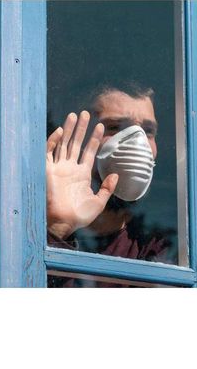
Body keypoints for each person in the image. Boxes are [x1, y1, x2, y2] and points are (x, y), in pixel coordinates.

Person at [46, 84, 170, 287]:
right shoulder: (30, 225)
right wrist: (58, 230)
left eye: (148, 131)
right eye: (114, 127)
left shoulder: (156, 246)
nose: (138, 144)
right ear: (81, 137)